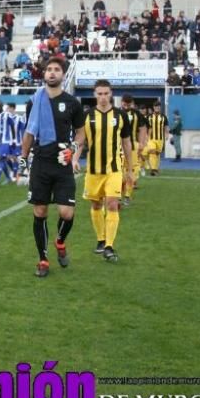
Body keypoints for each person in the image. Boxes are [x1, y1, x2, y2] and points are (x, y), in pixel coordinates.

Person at [18, 57, 85, 277]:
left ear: (63, 74)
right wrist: (23, 159)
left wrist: (73, 150)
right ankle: (43, 259)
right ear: (44, 74)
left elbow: (81, 133)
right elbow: (29, 132)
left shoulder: (73, 103)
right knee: (40, 211)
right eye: (49, 69)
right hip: (41, 163)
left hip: (63, 162)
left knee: (66, 213)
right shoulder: (33, 101)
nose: (52, 73)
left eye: (57, 69)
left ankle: (60, 241)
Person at [75, 80, 132, 262]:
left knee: (112, 204)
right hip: (93, 170)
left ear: (111, 93)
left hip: (113, 169)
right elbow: (80, 140)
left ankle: (109, 245)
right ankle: (100, 239)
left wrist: (129, 170)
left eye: (106, 93)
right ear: (94, 95)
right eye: (99, 94)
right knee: (96, 205)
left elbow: (127, 143)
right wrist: (75, 158)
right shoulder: (87, 116)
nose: (103, 97)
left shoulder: (121, 115)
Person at [119, 95, 149, 205]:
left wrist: (141, 143)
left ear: (132, 103)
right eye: (124, 103)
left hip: (132, 147)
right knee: (119, 172)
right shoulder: (115, 113)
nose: (126, 106)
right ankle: (118, 194)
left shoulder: (136, 114)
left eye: (129, 104)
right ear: (121, 102)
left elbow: (143, 128)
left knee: (132, 171)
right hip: (118, 148)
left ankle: (127, 195)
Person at [145, 104, 169, 176]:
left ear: (160, 108)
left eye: (158, 107)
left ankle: (156, 168)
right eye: (156, 107)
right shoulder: (148, 117)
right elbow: (145, 127)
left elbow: (166, 126)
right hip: (150, 138)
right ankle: (153, 169)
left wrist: (167, 134)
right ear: (153, 107)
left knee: (157, 154)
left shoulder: (163, 117)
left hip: (160, 139)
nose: (157, 108)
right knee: (152, 151)